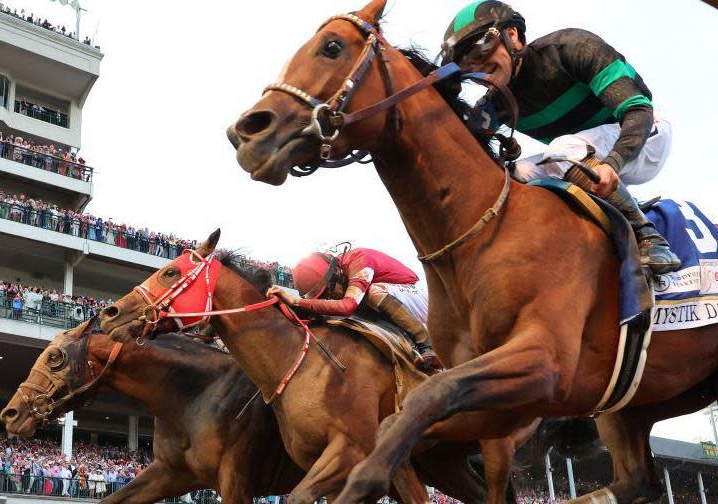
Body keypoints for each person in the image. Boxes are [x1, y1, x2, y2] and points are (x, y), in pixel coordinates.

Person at [440, 1, 680, 274]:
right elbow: (459, 148)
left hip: (645, 136)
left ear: (513, 35)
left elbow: (637, 109)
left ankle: (648, 236)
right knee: (514, 175)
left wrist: (612, 163)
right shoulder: (495, 104)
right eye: (464, 63)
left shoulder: (571, 48)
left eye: (481, 46)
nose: (477, 65)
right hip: (583, 157)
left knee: (563, 149)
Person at [268, 247, 442, 371]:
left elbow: (347, 306)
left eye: (328, 291)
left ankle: (426, 344)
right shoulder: (339, 272)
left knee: (371, 294)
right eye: (322, 297)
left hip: (421, 296)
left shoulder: (360, 260)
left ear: (336, 272)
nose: (330, 297)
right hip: (399, 299)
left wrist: (297, 302)